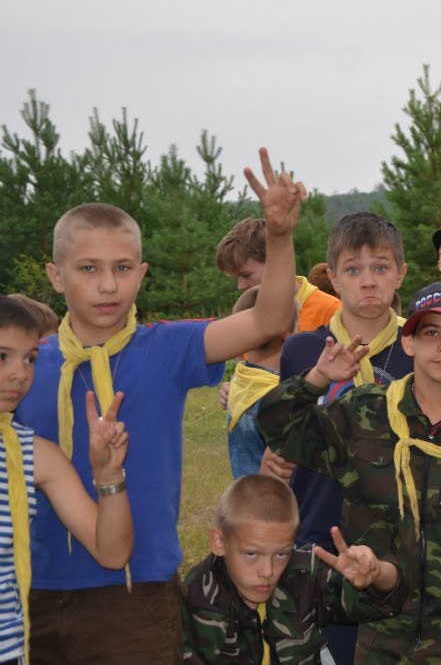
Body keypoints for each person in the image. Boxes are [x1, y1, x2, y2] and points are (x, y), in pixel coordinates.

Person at [16, 147, 304, 665]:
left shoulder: (167, 348)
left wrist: (279, 237)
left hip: (138, 594)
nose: (108, 284)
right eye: (88, 268)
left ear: (142, 272)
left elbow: (269, 320)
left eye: (123, 268)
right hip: (31, 595)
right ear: (56, 276)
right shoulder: (23, 367)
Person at [261, 283, 441, 665]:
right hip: (380, 626)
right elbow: (279, 430)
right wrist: (316, 380)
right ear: (408, 342)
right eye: (431, 333)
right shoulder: (365, 413)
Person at [263, 211, 411, 665]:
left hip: (397, 539)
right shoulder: (304, 349)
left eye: (380, 267)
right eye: (353, 269)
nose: (368, 281)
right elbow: (284, 430)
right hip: (317, 528)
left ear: (401, 273)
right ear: (332, 277)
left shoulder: (420, 347)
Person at [0, 297, 132, 664]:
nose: (20, 373)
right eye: (3, 357)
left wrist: (107, 475)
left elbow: (112, 552)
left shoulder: (35, 454)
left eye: (29, 358)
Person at [182, 474, 407, 665]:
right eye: (252, 554)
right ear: (219, 542)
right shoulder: (198, 600)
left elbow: (380, 604)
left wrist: (378, 574)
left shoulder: (301, 573)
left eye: (281, 554)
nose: (268, 571)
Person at [216, 216, 342, 332]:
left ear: (276, 262)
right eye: (236, 278)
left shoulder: (331, 311)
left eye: (246, 275)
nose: (240, 286)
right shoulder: (247, 315)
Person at [224, 287, 298, 480]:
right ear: (288, 334)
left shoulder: (242, 379)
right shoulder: (281, 398)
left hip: (245, 494)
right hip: (275, 496)